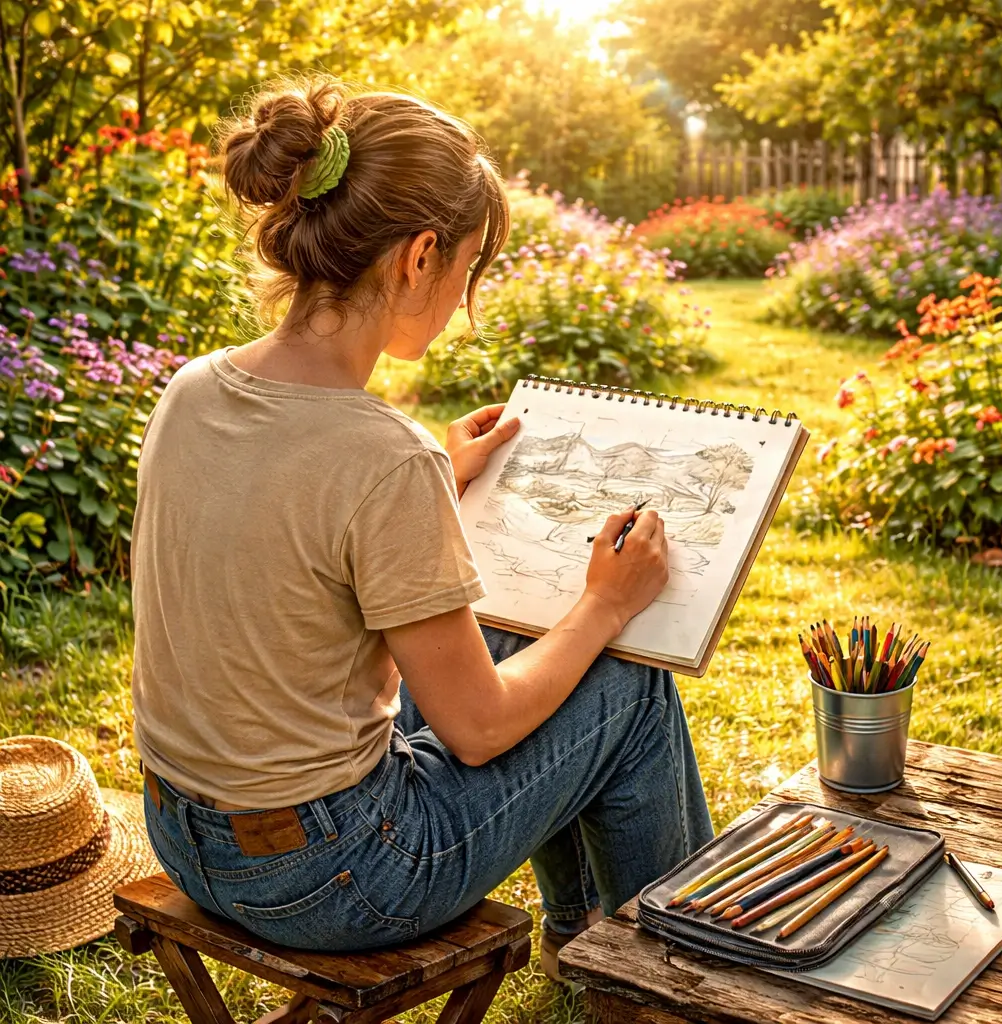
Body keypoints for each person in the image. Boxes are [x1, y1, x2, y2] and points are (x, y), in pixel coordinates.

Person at [131, 77, 713, 983]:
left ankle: (574, 931)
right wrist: (604, 606)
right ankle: (665, 981)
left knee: (518, 634)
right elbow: (477, 731)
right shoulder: (380, 457)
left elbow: (285, 532)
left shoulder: (192, 389)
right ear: (421, 255)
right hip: (337, 876)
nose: (461, 300)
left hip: (184, 832)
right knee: (625, 690)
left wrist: (437, 471)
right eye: (469, 269)